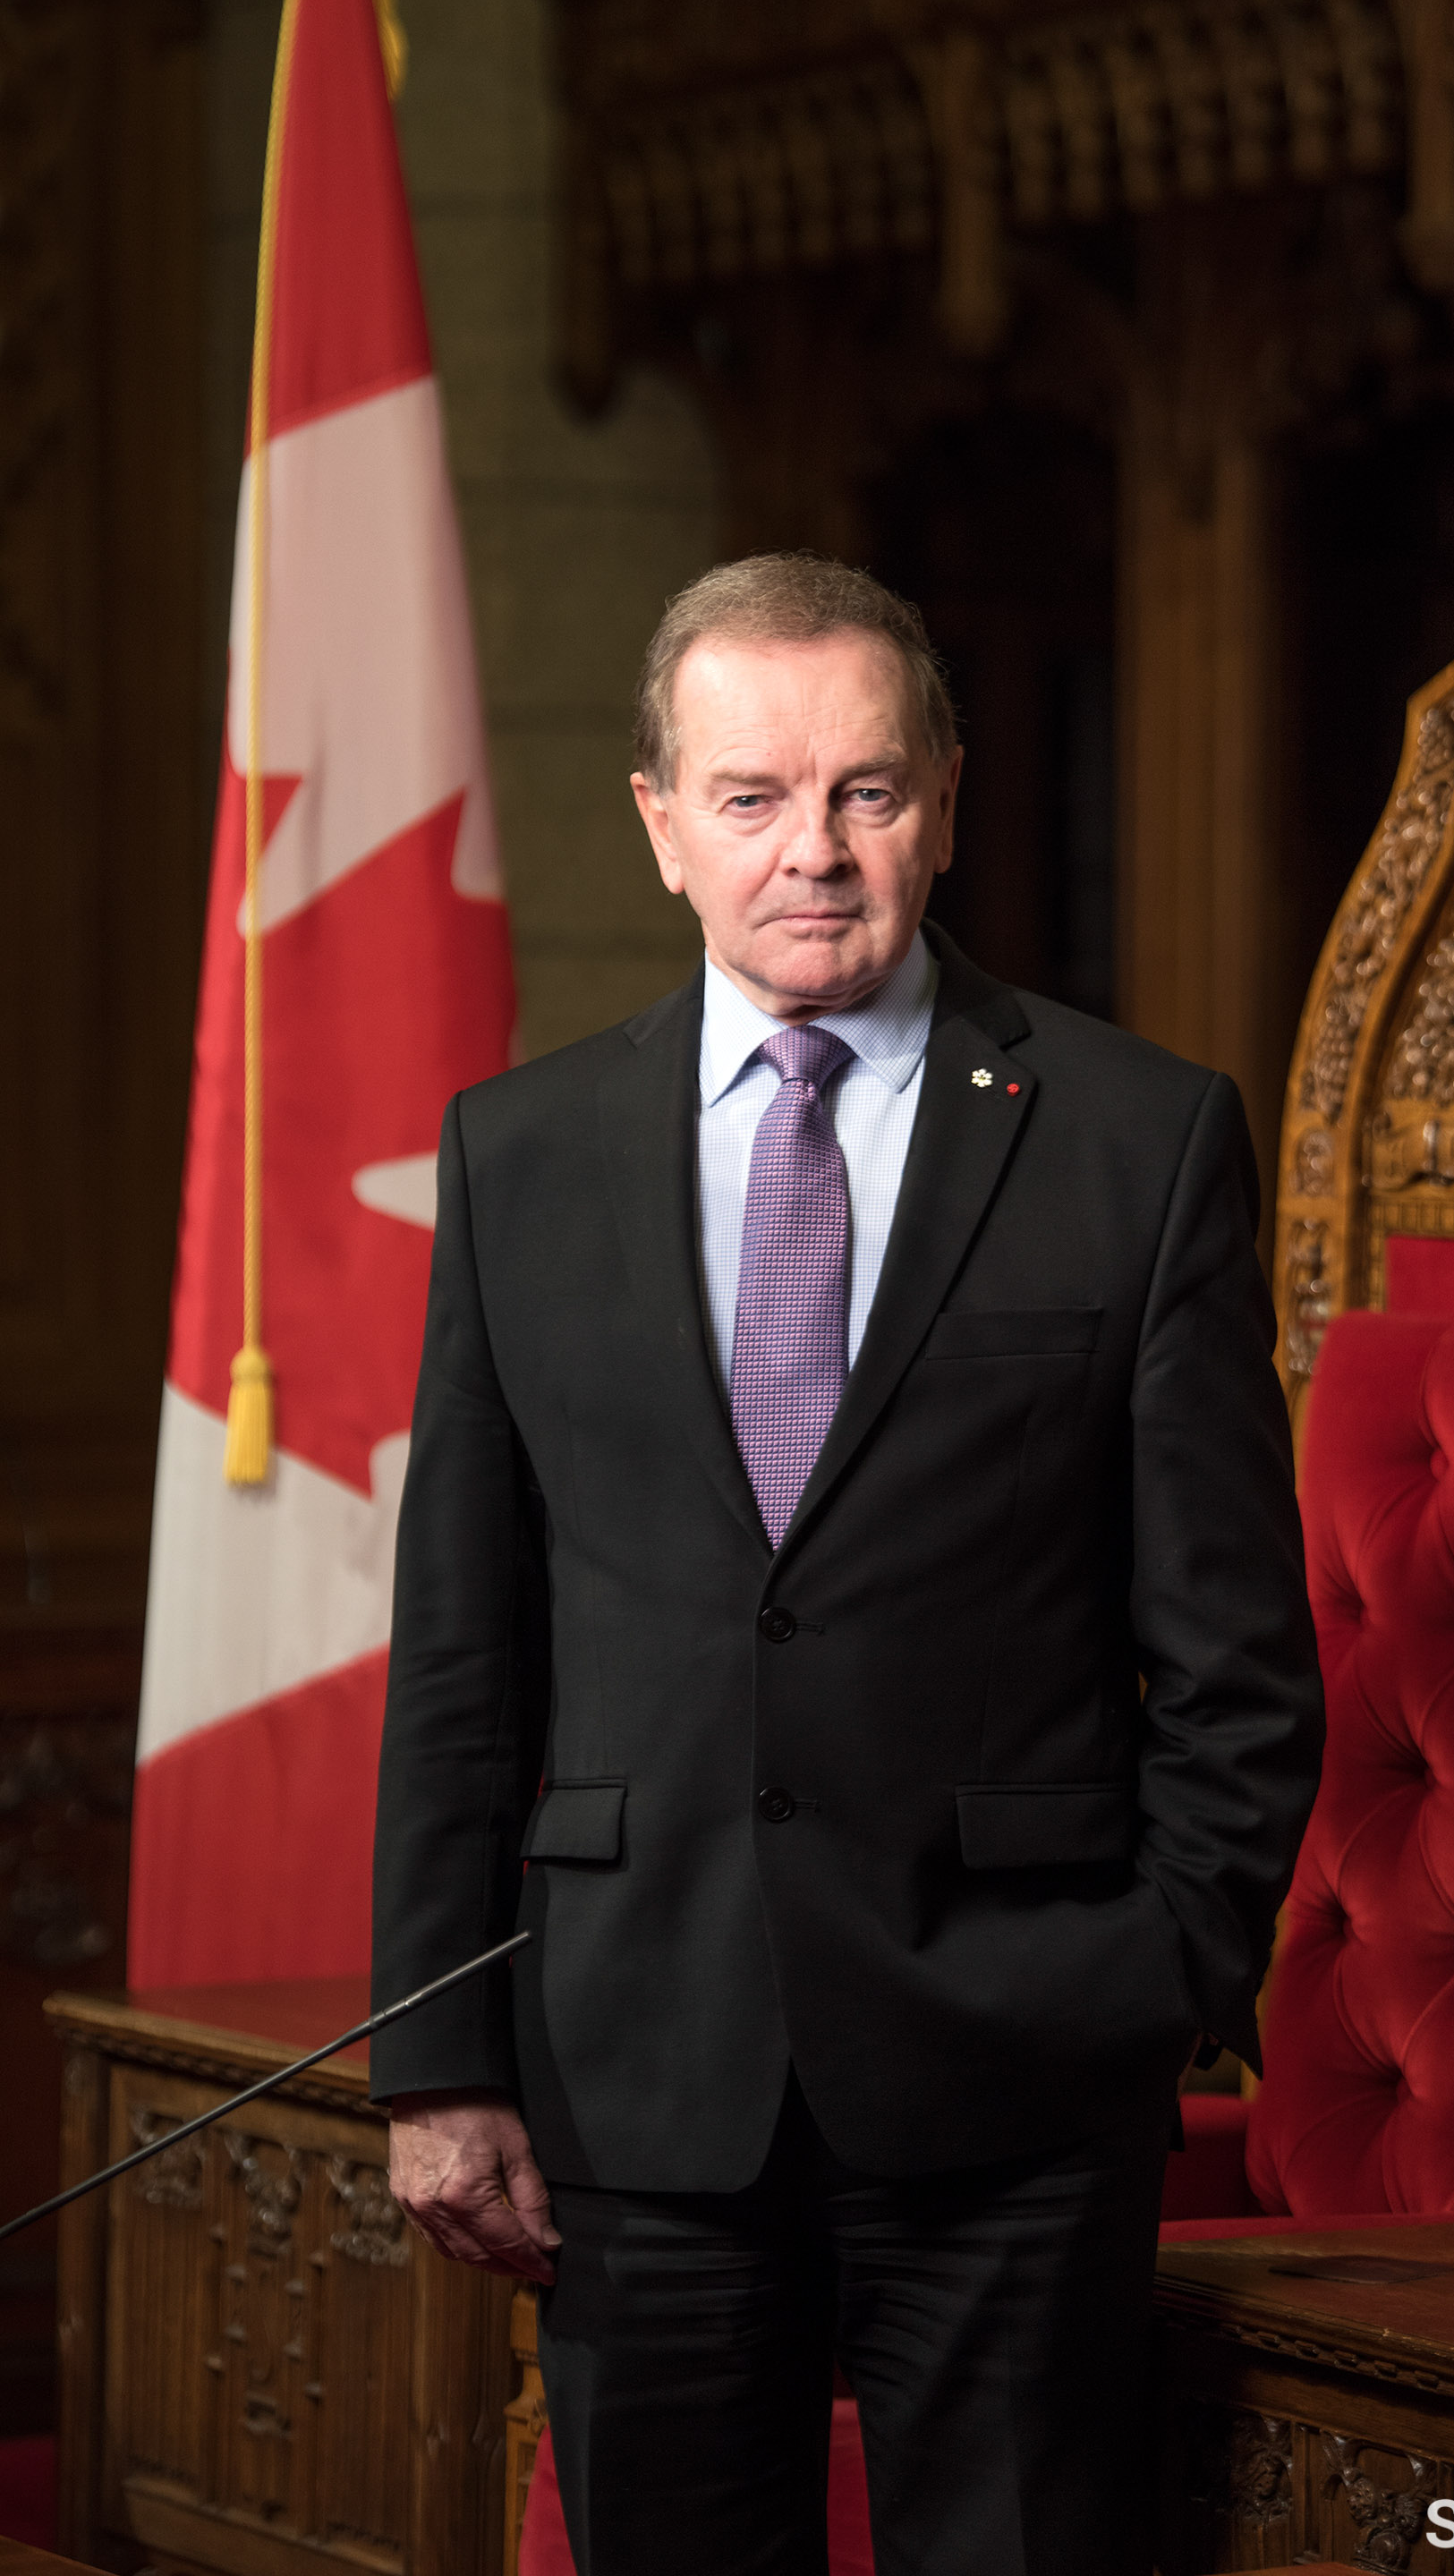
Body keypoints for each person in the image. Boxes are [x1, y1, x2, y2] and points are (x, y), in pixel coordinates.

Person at [370, 553, 1323, 2576]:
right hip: (637, 2086)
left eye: (866, 792)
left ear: (947, 804)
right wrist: (437, 2063)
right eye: (751, 797)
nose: (812, 852)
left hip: (1017, 2088)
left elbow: (1237, 1659)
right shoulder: (515, 1159)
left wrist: (1146, 1989)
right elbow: (465, 1649)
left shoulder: (1134, 1143)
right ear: (658, 824)